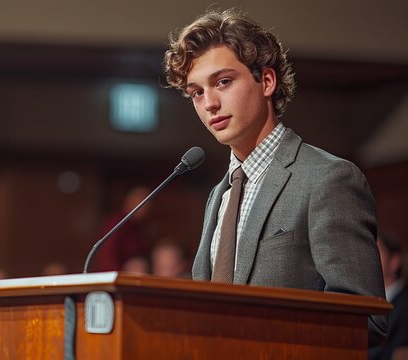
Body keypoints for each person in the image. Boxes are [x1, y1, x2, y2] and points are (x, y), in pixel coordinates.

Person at [163, 8, 386, 345]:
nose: (209, 103)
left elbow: (367, 319)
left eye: (223, 81)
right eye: (197, 92)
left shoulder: (329, 178)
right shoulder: (219, 196)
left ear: (266, 81)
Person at [95, 186, 152, 271]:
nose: (145, 207)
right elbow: (106, 256)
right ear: (129, 201)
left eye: (148, 204)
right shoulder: (117, 223)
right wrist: (124, 271)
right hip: (116, 275)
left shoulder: (141, 227)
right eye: (141, 202)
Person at [370, 234, 408, 359]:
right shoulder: (366, 300)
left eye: (376, 252)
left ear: (394, 262)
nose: (369, 258)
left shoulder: (404, 304)